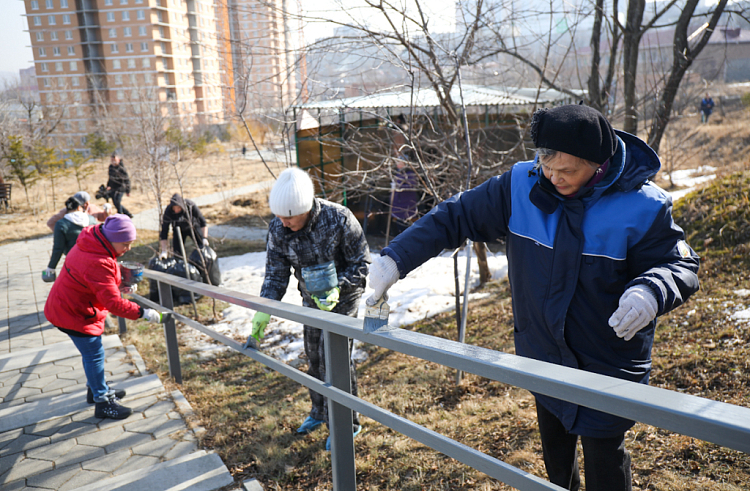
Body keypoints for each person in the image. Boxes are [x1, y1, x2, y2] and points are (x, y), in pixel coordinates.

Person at [367, 104, 700, 491]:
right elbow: (454, 217)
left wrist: (650, 291)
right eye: (548, 167)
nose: (555, 178)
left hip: (608, 360)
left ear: (598, 164)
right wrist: (395, 259)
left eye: (568, 171)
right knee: (555, 458)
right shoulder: (520, 185)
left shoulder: (643, 206)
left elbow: (679, 265)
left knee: (604, 459)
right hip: (542, 352)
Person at [243, 168, 370, 449]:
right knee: (313, 355)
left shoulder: (338, 219)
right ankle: (320, 412)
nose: (284, 223)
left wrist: (340, 288)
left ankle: (348, 423)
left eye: (289, 217)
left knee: (334, 358)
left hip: (344, 298)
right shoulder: (278, 228)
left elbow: (361, 263)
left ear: (307, 208)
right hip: (311, 299)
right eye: (280, 217)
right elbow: (276, 274)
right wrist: (264, 308)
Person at [44, 214, 171, 420]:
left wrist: (119, 284)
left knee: (92, 354)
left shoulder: (90, 243)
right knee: (94, 354)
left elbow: (93, 281)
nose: (128, 248)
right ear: (111, 238)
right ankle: (102, 402)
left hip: (67, 306)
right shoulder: (98, 260)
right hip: (74, 313)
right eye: (125, 244)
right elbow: (113, 303)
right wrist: (145, 313)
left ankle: (94, 390)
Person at [43, 195, 98, 282]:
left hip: (74, 263)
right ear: (80, 207)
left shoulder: (61, 224)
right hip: (94, 261)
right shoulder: (91, 220)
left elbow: (58, 248)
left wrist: (51, 268)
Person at [159, 193, 208, 259]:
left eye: (178, 208)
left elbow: (203, 222)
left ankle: (203, 262)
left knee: (202, 246)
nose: (176, 210)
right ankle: (180, 265)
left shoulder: (190, 205)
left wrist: (204, 237)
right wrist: (164, 251)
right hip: (178, 230)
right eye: (174, 208)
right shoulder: (168, 211)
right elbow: (164, 231)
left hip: (193, 227)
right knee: (177, 253)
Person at [47, 191, 113, 232]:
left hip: (92, 238)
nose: (87, 205)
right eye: (84, 203)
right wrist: (61, 232)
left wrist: (106, 212)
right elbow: (50, 223)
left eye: (88, 202)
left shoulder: (92, 207)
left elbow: (103, 217)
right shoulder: (66, 211)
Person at [106, 152, 133, 218]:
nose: (113, 162)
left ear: (118, 160)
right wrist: (108, 185)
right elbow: (110, 178)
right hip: (113, 187)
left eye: (114, 160)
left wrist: (128, 191)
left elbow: (127, 180)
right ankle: (128, 213)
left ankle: (120, 215)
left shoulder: (121, 168)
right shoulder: (111, 167)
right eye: (112, 161)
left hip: (121, 187)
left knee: (117, 201)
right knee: (115, 203)